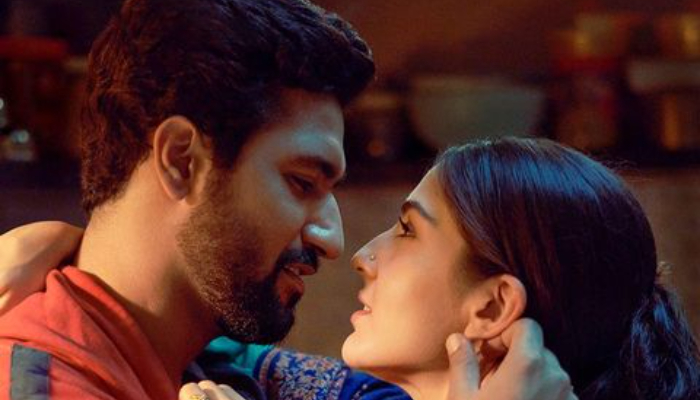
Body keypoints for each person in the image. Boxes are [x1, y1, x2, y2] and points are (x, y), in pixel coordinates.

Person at [0, 0, 575, 398]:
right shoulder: (45, 385)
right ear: (182, 161)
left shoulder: (218, 366)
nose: (334, 241)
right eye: (301, 182)